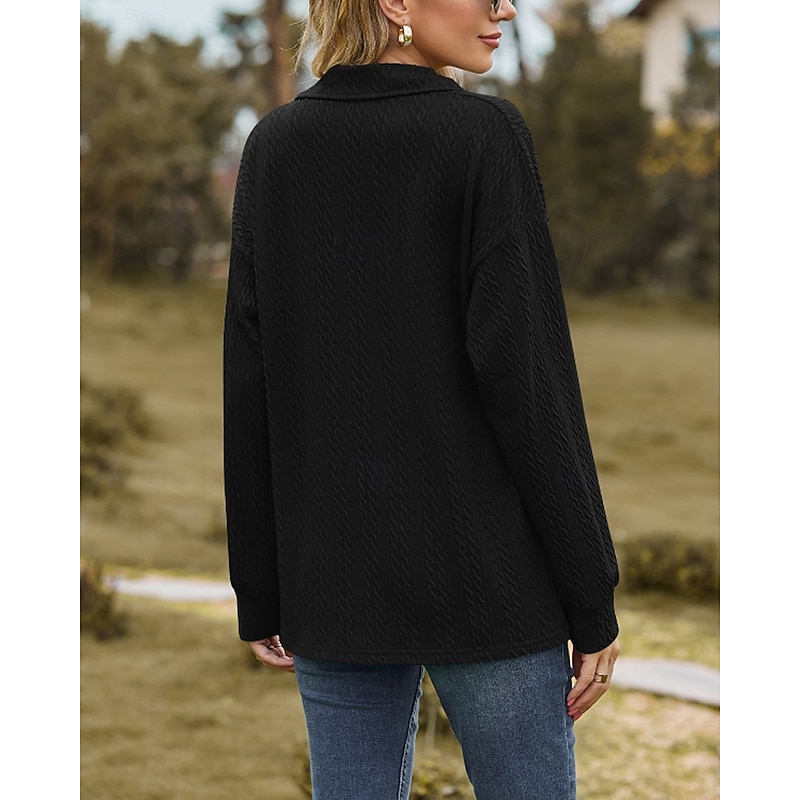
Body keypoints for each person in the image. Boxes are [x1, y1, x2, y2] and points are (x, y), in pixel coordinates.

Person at [223, 0, 621, 797]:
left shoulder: (275, 146)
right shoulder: (483, 137)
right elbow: (528, 380)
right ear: (397, 2)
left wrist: (260, 589)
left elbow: (251, 378)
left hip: (333, 584)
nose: (506, 7)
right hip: (491, 583)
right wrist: (591, 594)